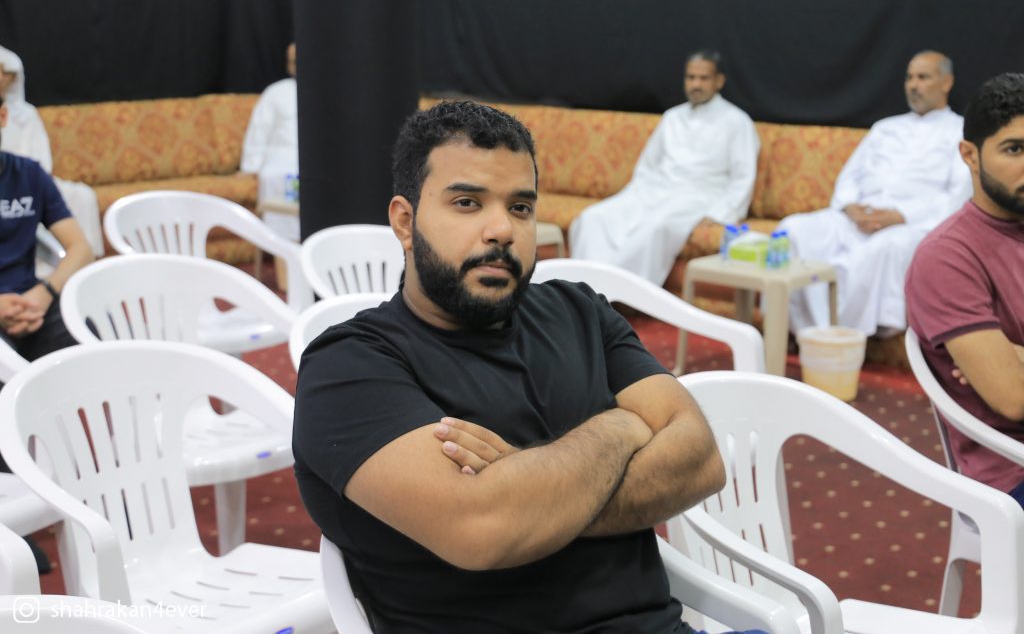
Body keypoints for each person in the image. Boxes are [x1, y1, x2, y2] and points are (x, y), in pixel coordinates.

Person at [293, 101, 765, 634]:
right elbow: (486, 529)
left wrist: (533, 497)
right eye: (467, 203)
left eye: (520, 207)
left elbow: (701, 460)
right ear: (405, 221)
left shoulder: (581, 311)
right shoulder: (349, 365)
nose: (502, 229)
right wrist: (622, 427)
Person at [781, 51, 972, 336]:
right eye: (909, 78)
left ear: (947, 83)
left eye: (923, 77)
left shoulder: (961, 132)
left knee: (885, 249)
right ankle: (805, 331)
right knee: (792, 229)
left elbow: (956, 196)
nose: (913, 85)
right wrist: (850, 208)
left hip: (911, 225)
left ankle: (844, 337)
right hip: (857, 218)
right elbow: (849, 176)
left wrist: (900, 216)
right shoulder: (885, 128)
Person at [905, 72, 1024, 507]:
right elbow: (1013, 398)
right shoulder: (946, 257)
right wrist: (1008, 365)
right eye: (1014, 149)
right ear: (970, 155)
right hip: (1009, 475)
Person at [0, 89, 94, 574]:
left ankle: (92, 492)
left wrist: (45, 292)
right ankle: (13, 526)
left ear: (2, 116)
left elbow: (79, 246)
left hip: (30, 303)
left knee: (86, 343)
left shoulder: (27, 173)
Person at [568, 51, 759, 285]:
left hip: (700, 196)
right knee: (592, 218)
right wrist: (636, 196)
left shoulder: (737, 121)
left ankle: (620, 294)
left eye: (703, 78)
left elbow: (743, 177)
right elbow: (647, 167)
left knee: (653, 229)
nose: (696, 84)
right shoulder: (672, 117)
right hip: (653, 191)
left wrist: (721, 214)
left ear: (719, 81)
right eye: (691, 77)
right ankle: (582, 290)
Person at [0, 44, 104, 258]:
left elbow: (40, 163)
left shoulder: (27, 115)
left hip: (28, 181)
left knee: (81, 196)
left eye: (6, 73)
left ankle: (88, 264)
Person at [241, 42, 299, 242]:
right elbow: (259, 130)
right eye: (292, 61)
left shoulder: (324, 91)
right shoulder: (276, 92)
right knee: (277, 178)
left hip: (314, 159)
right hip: (281, 159)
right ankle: (280, 245)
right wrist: (251, 166)